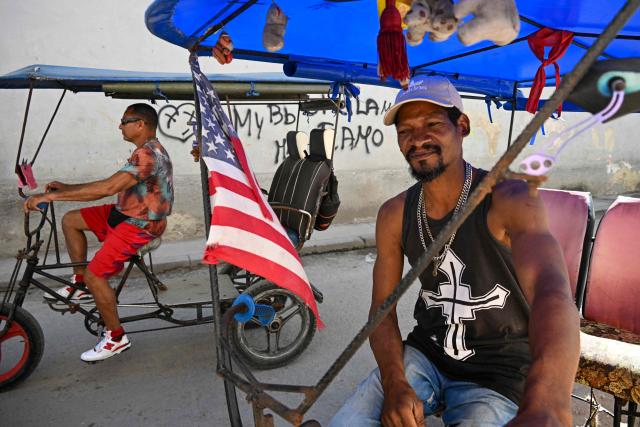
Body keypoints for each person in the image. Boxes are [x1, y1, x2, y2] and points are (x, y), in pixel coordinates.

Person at [329, 76, 580, 426]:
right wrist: (395, 382)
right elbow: (380, 311)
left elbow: (552, 292)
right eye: (406, 131)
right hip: (426, 355)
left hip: (500, 372)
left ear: (461, 126)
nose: (418, 139)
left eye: (432, 124)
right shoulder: (394, 214)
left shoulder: (507, 198)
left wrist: (549, 403)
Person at [24, 103, 174, 363]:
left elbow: (107, 187)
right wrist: (66, 188)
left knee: (97, 274)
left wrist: (49, 196)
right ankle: (79, 284)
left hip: (140, 224)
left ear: (141, 125)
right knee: (71, 220)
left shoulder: (149, 155)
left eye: (125, 120)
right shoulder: (142, 152)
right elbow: (109, 186)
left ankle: (116, 337)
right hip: (124, 212)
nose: (120, 125)